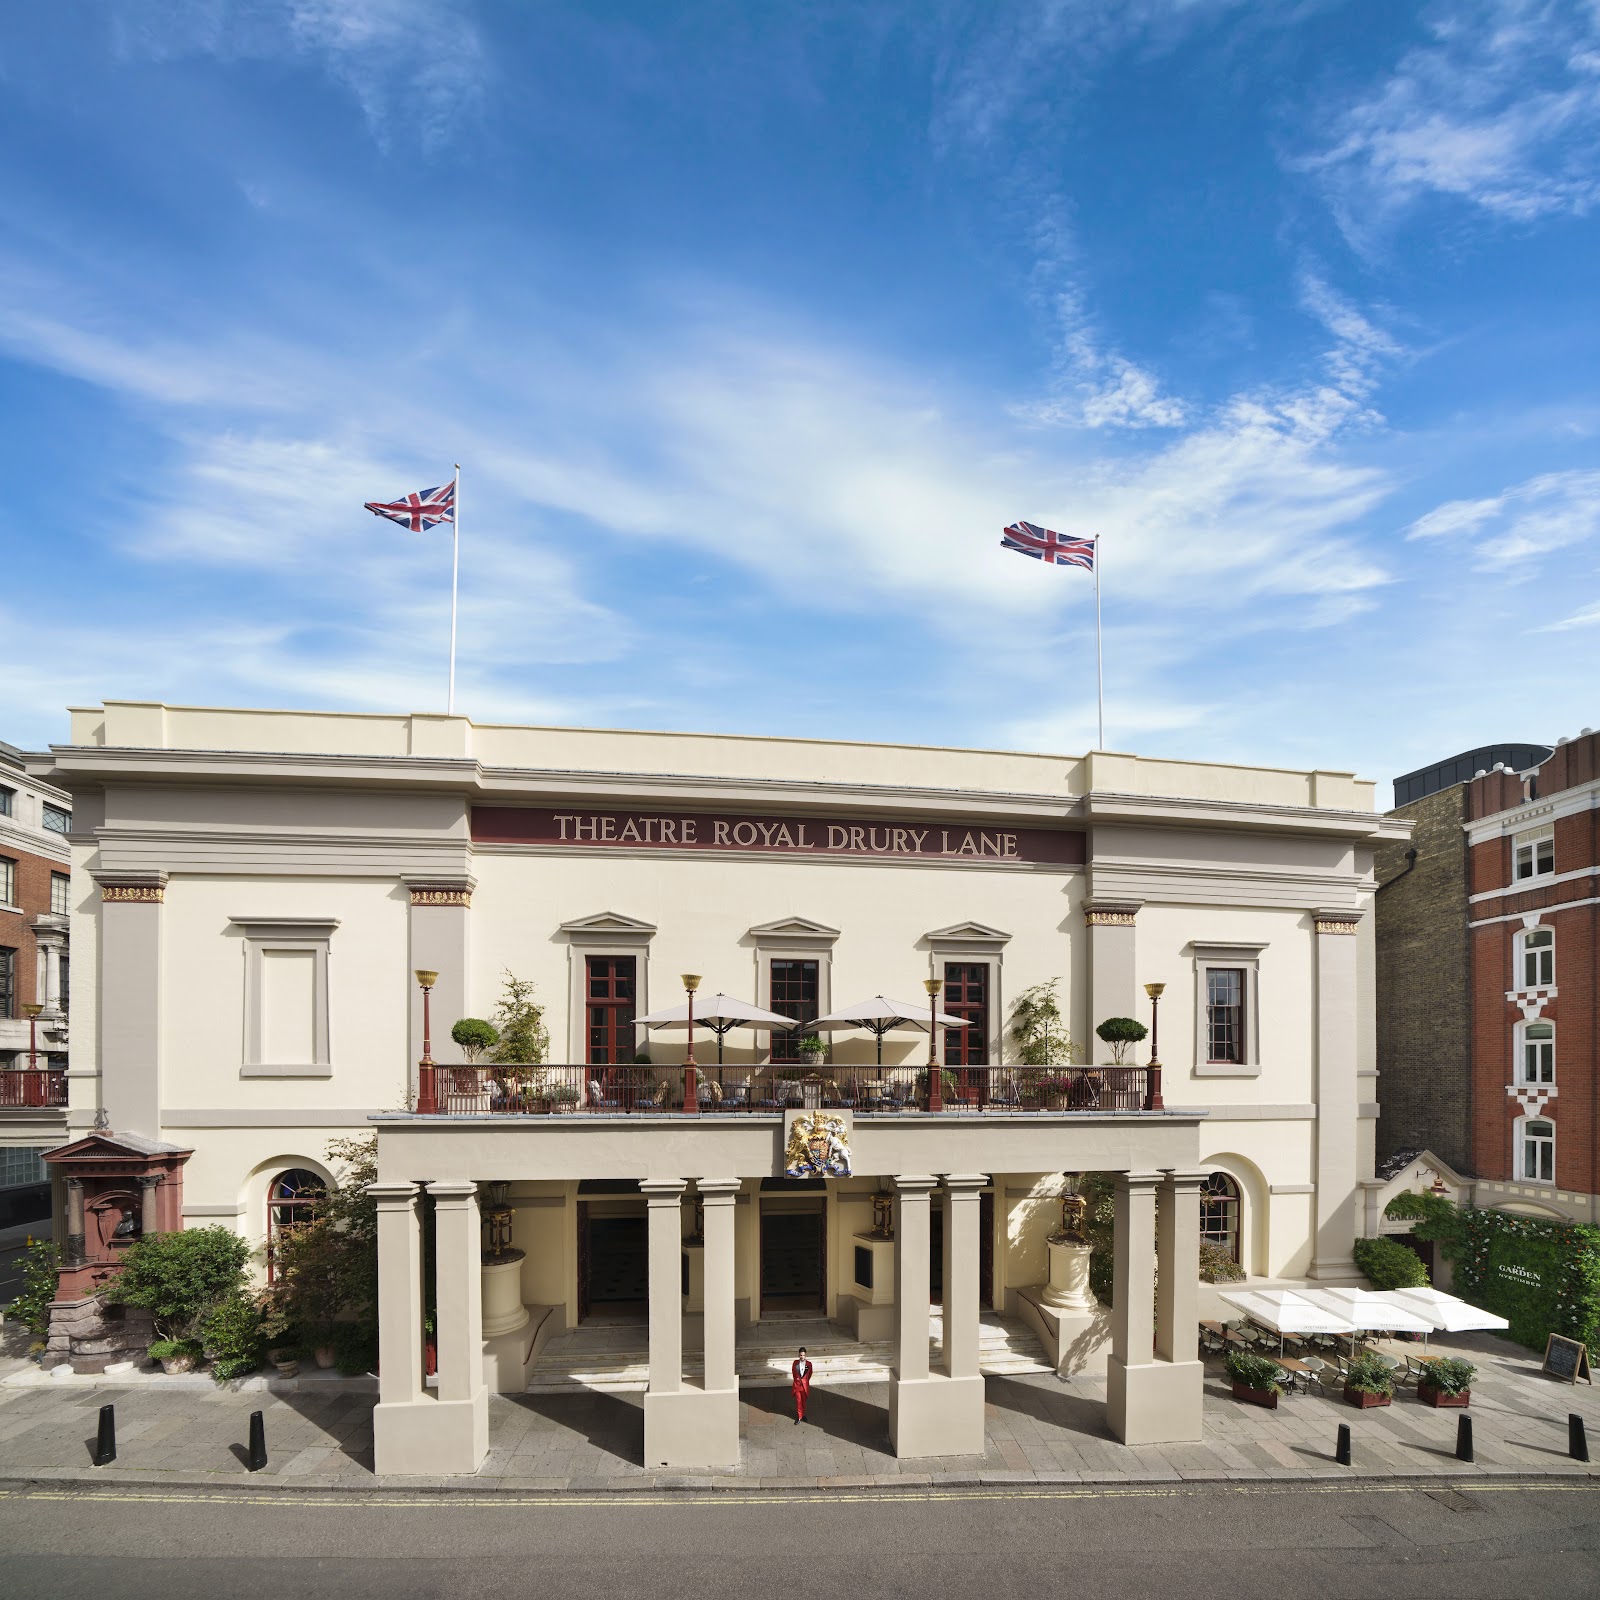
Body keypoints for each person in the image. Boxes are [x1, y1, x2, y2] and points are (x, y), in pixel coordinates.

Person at [791, 1346, 813, 1424]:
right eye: (801, 1355)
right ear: (799, 1355)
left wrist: (805, 1381)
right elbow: (794, 1373)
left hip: (804, 1387)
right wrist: (797, 1380)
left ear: (805, 1355)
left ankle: (803, 1414)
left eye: (803, 1355)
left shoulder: (809, 1364)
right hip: (797, 1386)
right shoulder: (795, 1363)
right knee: (798, 1401)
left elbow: (809, 1374)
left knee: (803, 1402)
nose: (802, 1357)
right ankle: (799, 1416)